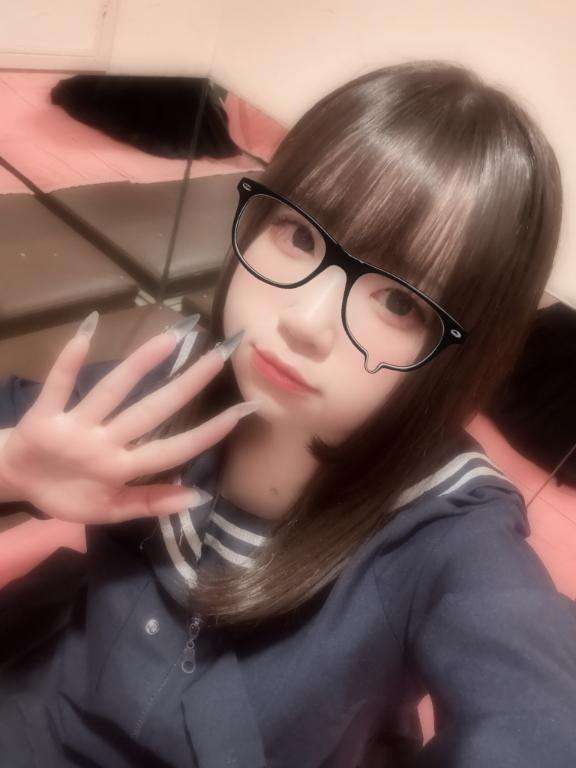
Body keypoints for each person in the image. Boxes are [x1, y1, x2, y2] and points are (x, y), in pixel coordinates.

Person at [1, 60, 576, 767]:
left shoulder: (444, 533)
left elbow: (538, 713)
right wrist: (12, 468)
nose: (304, 321)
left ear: (460, 354)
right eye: (300, 235)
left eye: (399, 302)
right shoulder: (172, 379)